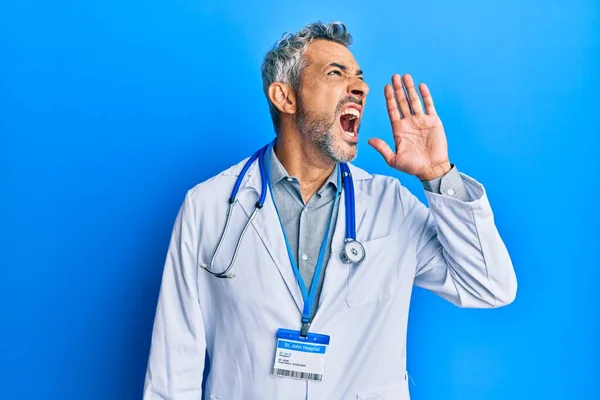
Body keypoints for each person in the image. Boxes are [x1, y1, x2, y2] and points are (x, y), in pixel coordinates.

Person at [143, 21, 517, 400]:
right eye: (335, 73)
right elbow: (174, 367)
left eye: (359, 77)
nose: (360, 87)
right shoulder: (208, 206)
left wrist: (437, 174)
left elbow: (489, 286)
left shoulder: (391, 206)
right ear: (284, 97)